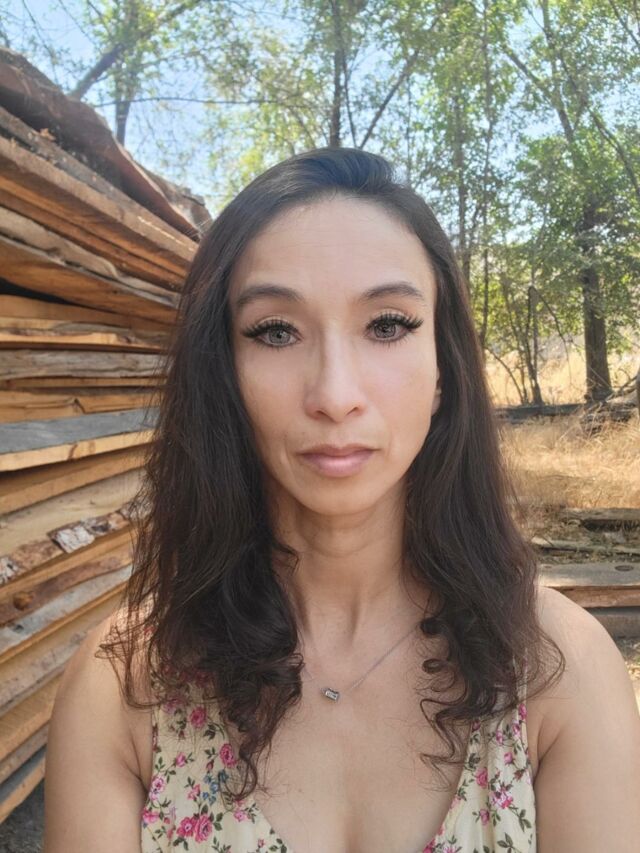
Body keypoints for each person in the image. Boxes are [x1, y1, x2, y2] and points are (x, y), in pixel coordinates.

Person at [43, 148, 640, 853]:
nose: (334, 394)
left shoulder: (560, 668)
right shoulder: (121, 686)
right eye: (276, 331)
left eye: (387, 325)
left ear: (443, 370)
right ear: (223, 371)